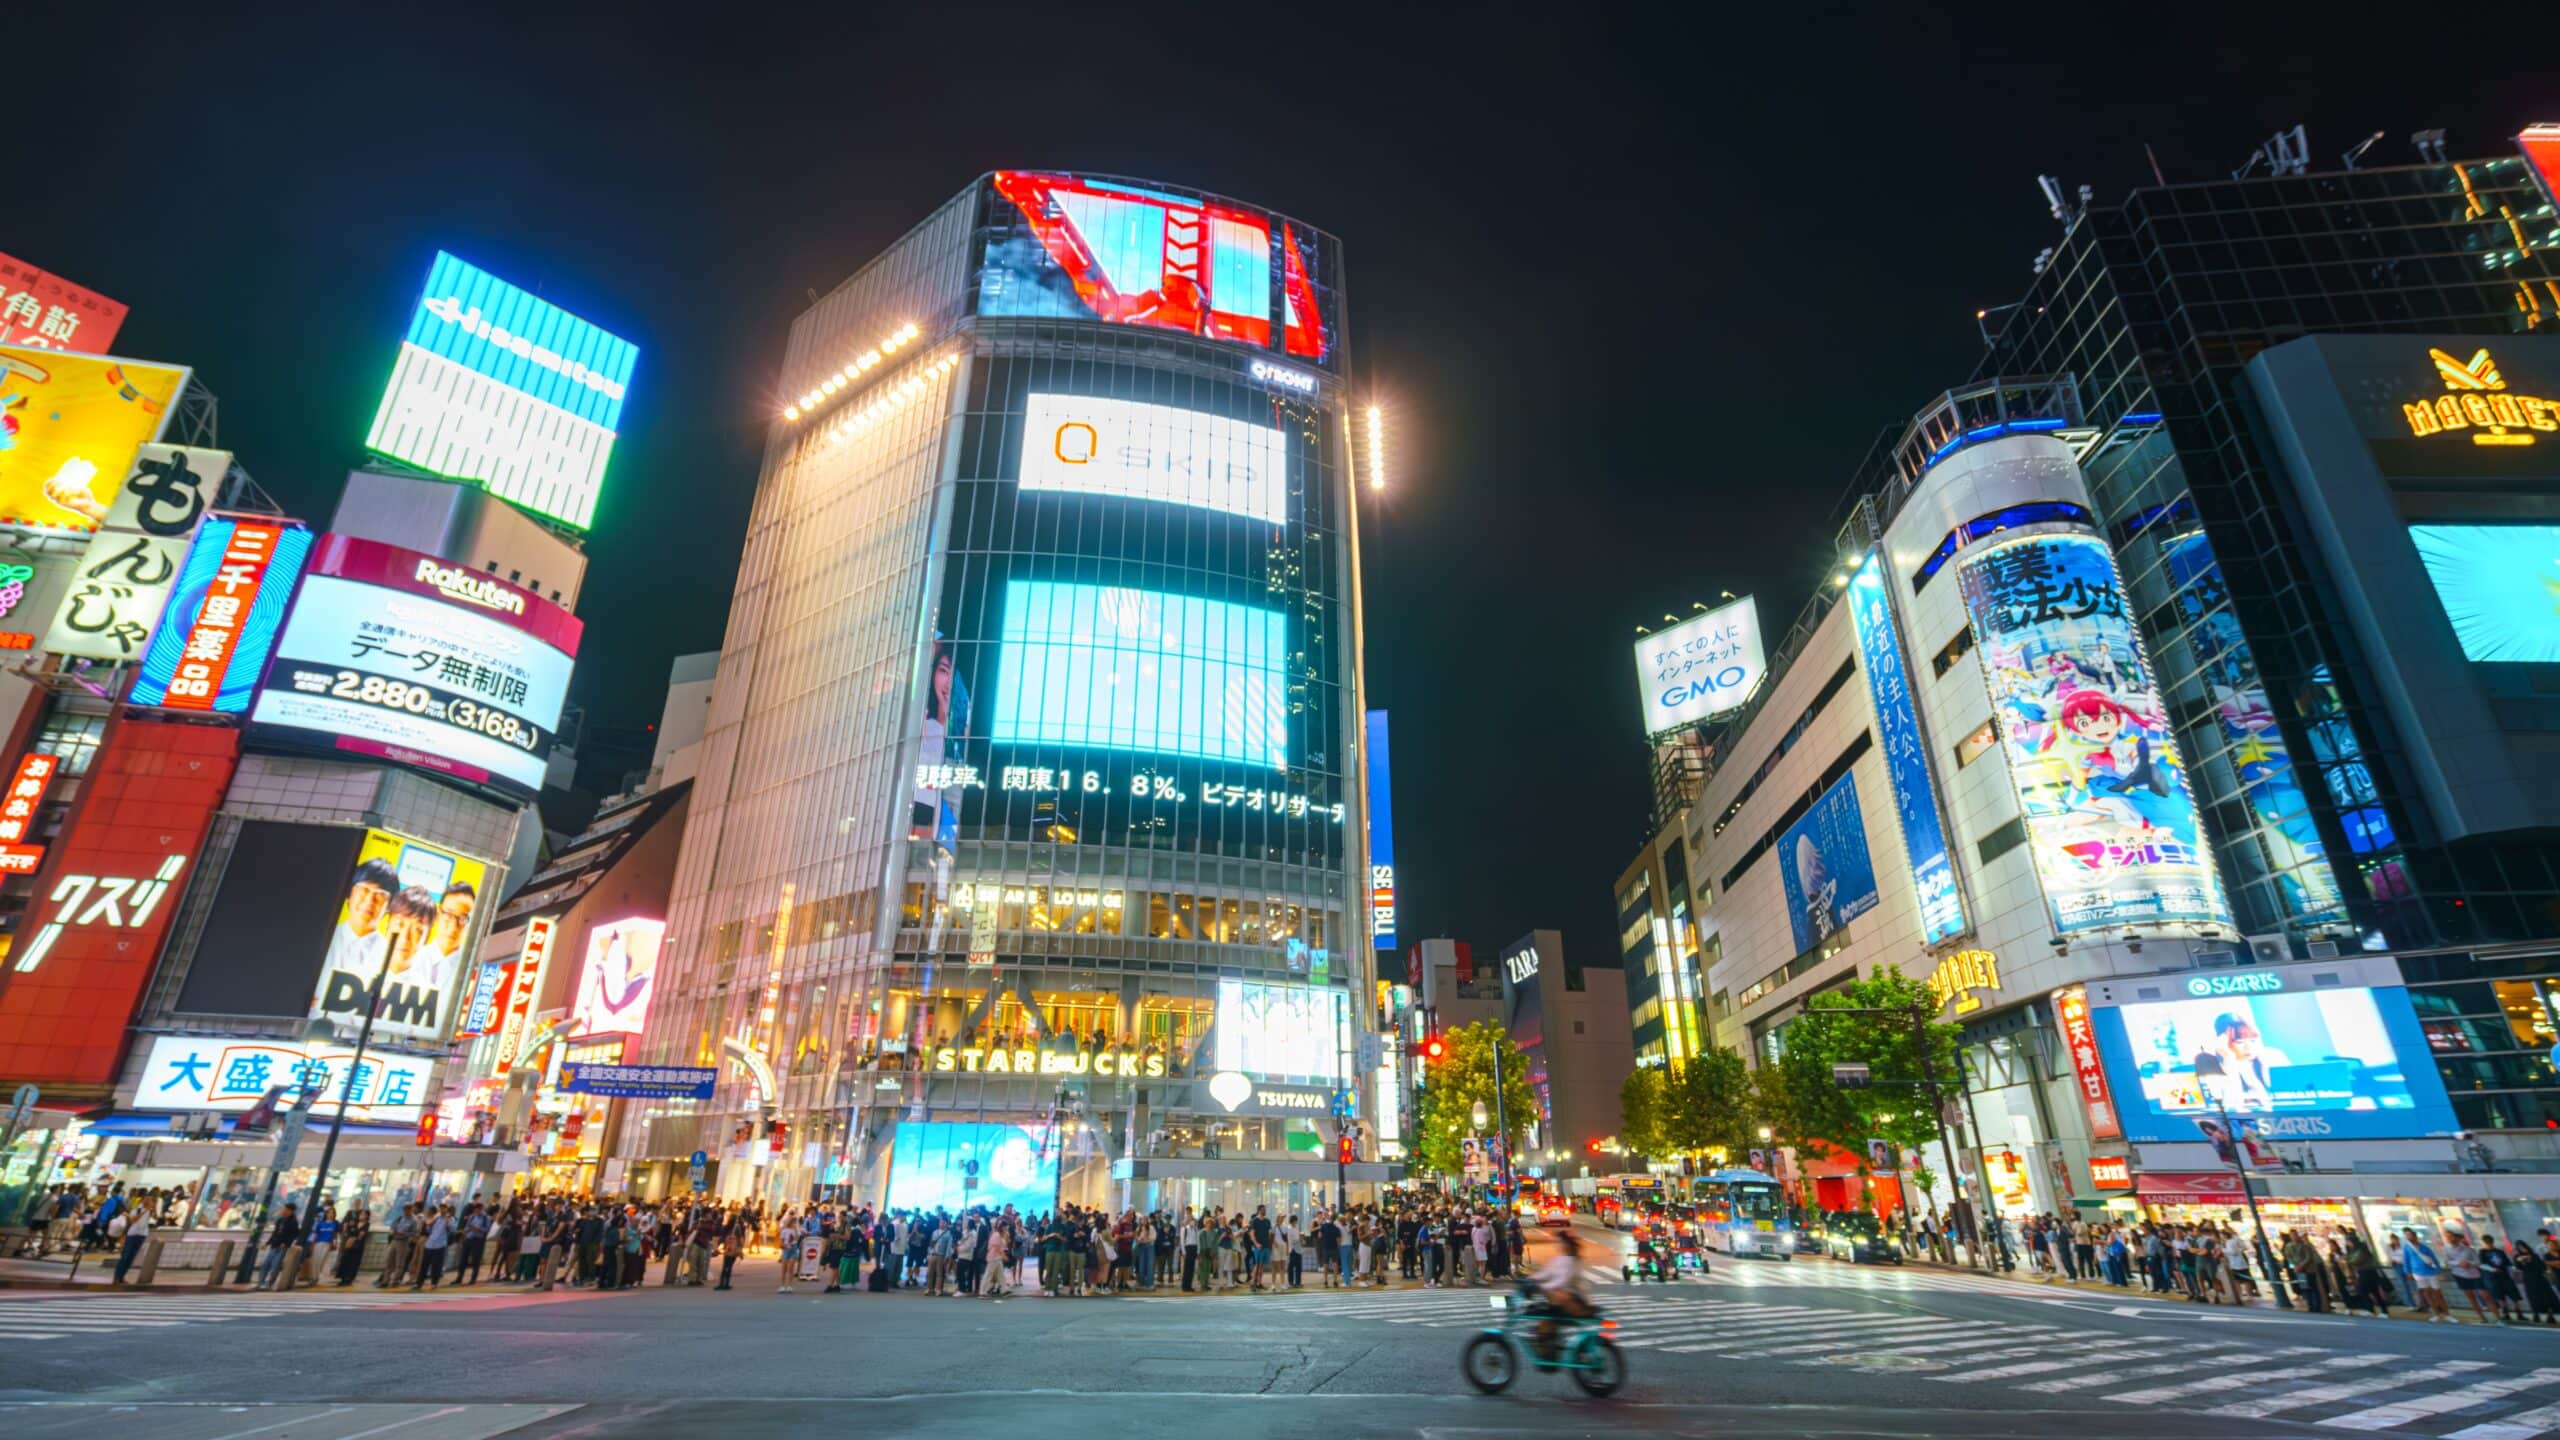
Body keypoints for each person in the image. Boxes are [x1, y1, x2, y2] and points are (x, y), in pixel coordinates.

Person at [1528, 1226, 1597, 1361]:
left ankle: (1549, 1347)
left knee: (1558, 1294)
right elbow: (1545, 1273)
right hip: (1561, 1302)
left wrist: (1541, 1287)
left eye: (1560, 1242)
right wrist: (1528, 1280)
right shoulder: (1559, 1259)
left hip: (1577, 1302)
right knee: (1543, 1317)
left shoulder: (1574, 1261)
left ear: (1567, 1244)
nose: (1558, 1245)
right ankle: (1547, 1349)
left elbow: (1562, 1282)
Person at [2445, 1230, 2493, 1323]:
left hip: (2475, 1275)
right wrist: (2458, 1263)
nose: (2450, 1239)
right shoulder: (2447, 1249)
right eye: (2448, 1237)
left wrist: (2469, 1263)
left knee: (2484, 1295)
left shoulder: (2469, 1249)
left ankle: (2495, 1315)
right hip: (2461, 1275)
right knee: (2472, 1297)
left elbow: (2477, 1262)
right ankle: (2482, 1317)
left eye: (2451, 1237)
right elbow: (2447, 1261)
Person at [2403, 1229, 2452, 1322]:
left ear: (2415, 1236)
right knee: (2428, 1293)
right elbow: (2406, 1260)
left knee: (2438, 1293)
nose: (2408, 1237)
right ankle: (2437, 1314)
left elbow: (2433, 1258)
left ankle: (2446, 1314)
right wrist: (2408, 1272)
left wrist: (2437, 1269)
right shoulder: (2407, 1248)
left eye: (2409, 1235)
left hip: (2431, 1272)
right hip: (2418, 1273)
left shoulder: (2424, 1247)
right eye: (2407, 1235)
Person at [256, 1203, 303, 1290]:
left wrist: (286, 1243)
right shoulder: (280, 1220)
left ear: (291, 1211)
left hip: (282, 1247)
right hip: (274, 1244)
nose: (284, 1211)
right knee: (265, 1264)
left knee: (275, 1266)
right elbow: (275, 1233)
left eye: (286, 1210)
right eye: (284, 1209)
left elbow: (294, 1235)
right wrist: (267, 1243)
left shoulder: (293, 1222)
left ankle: (269, 1283)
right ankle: (260, 1282)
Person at [110, 1201, 152, 1285]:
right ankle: (117, 1277)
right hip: (132, 1234)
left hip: (142, 1235)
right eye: (147, 1200)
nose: (149, 1202)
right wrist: (145, 1211)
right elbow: (133, 1220)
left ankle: (122, 1276)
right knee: (126, 1256)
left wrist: (151, 1211)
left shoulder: (150, 1211)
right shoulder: (137, 1210)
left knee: (131, 1257)